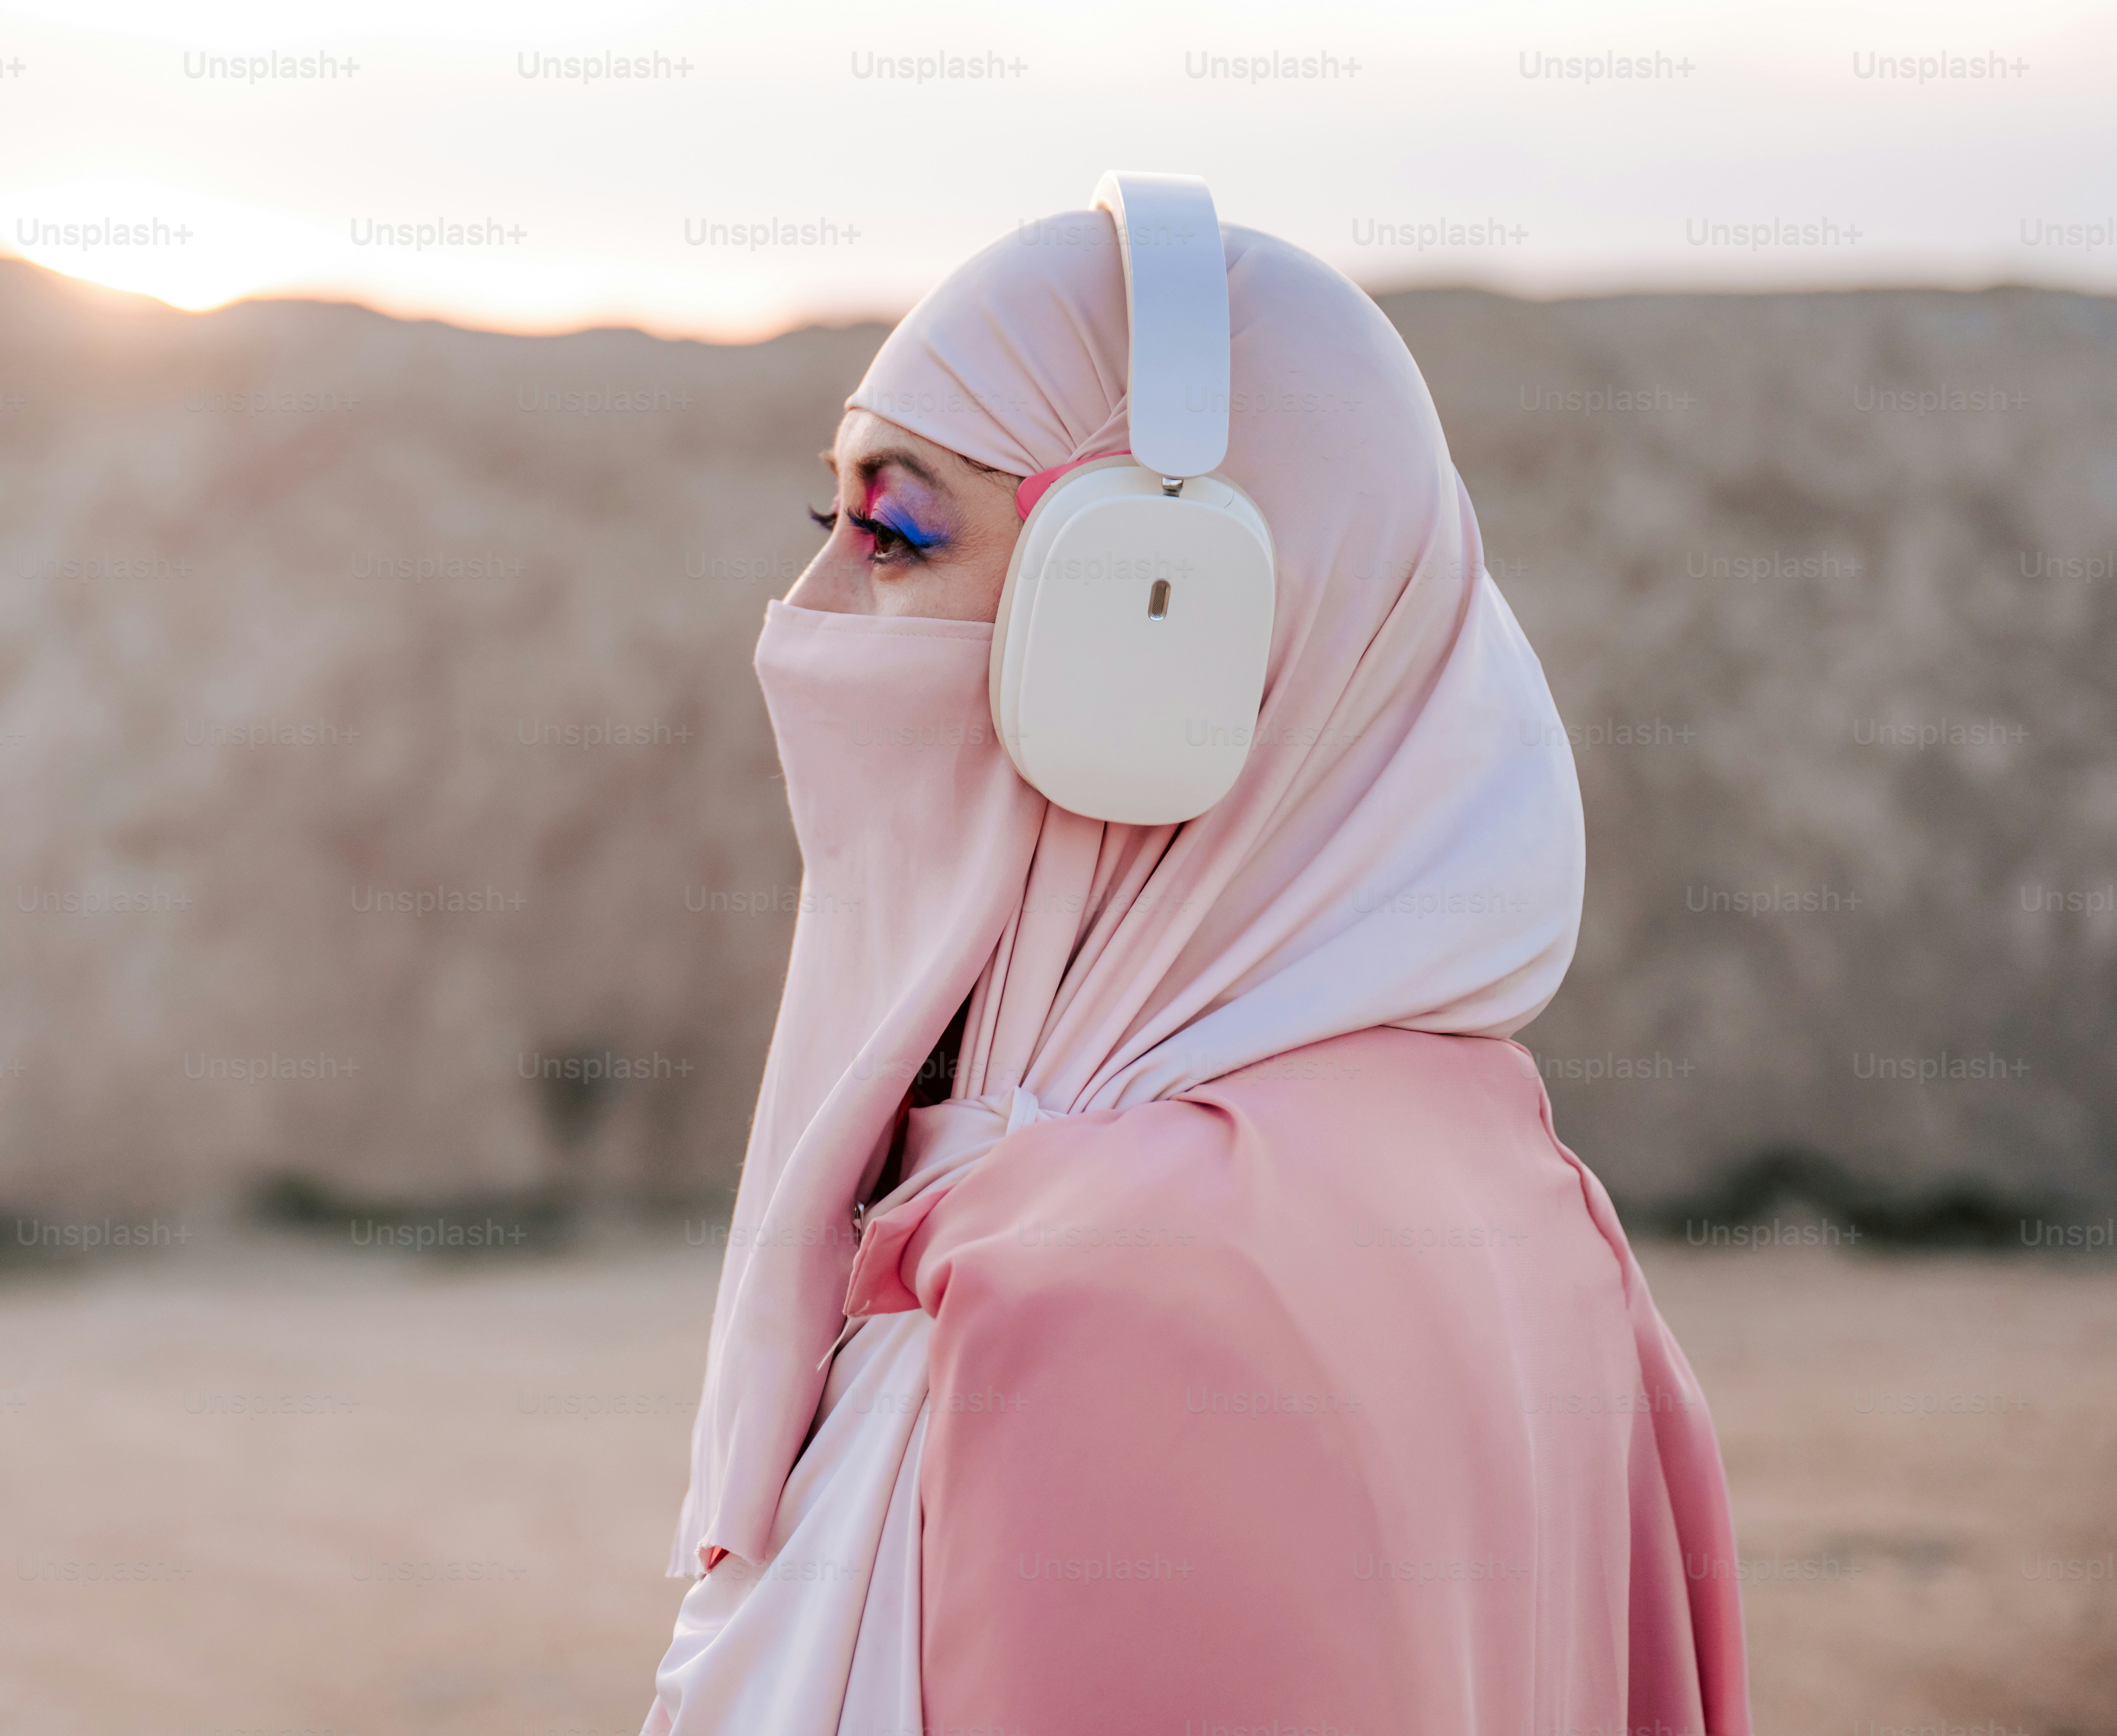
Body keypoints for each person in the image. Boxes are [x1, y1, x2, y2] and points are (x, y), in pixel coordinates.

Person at [645, 205, 1749, 1735]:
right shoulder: (1529, 1203)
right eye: (824, 520)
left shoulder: (1101, 1289)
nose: (807, 617)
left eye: (894, 534)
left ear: (1163, 624)